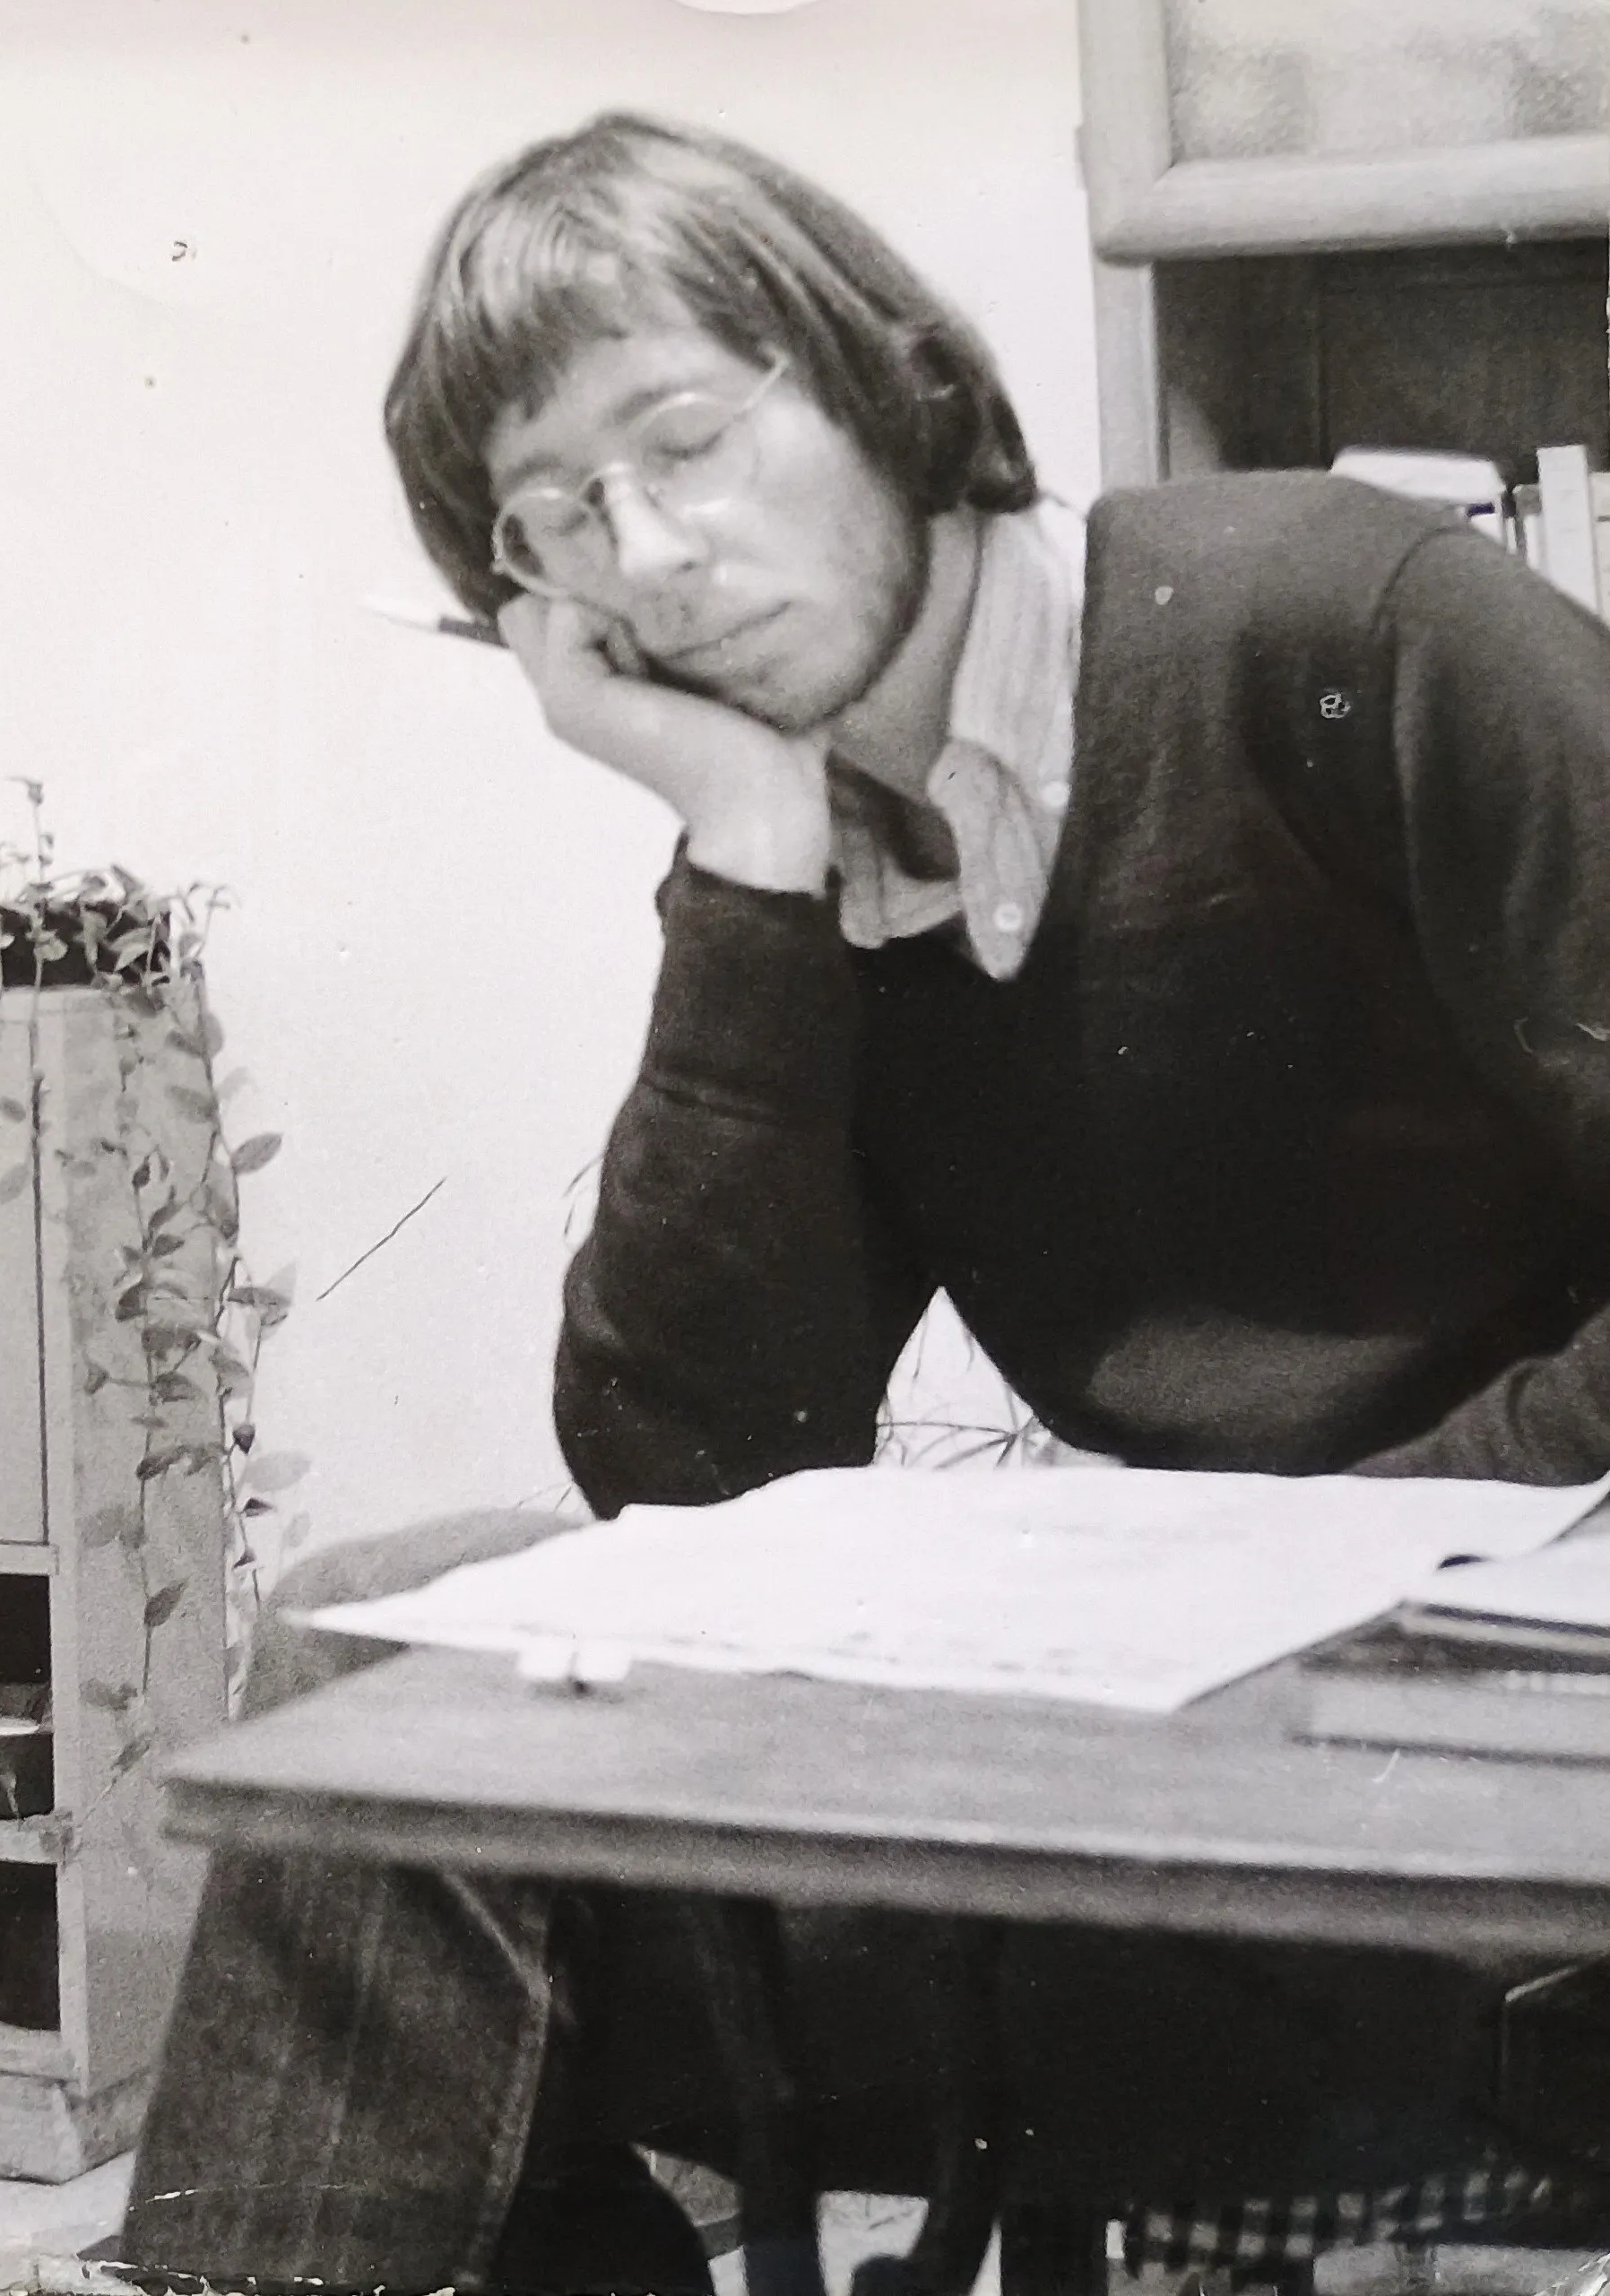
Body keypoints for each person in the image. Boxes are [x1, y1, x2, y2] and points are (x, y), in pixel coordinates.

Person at [117, 112, 1610, 2295]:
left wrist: (1326, 1557)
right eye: (558, 521)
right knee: (366, 1638)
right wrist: (739, 846)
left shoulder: (1338, 620)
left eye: (689, 438)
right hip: (1165, 1704)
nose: (650, 553)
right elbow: (691, 1469)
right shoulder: (805, 846)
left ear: (880, 376)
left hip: (1495, 1679)